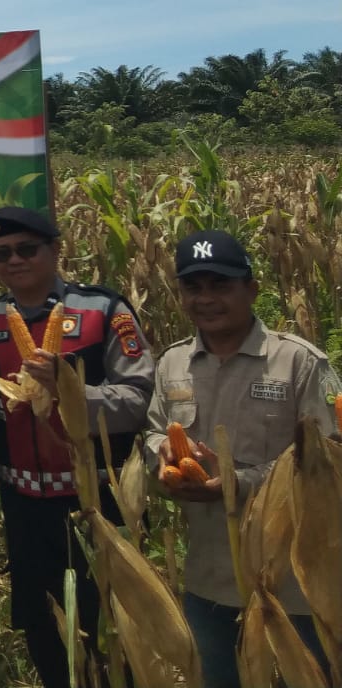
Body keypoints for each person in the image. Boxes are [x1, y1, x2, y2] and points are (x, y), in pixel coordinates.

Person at [0, 207, 154, 688]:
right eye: (1, 254)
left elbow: (139, 399)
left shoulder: (103, 311)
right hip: (23, 504)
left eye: (26, 249)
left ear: (55, 250)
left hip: (97, 501)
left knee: (112, 628)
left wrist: (69, 393)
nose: (14, 261)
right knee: (43, 626)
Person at [144, 230, 339, 687]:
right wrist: (163, 458)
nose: (206, 299)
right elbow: (154, 431)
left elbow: (328, 460)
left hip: (295, 585)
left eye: (221, 285)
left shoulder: (299, 363)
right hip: (210, 578)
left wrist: (240, 482)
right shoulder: (172, 364)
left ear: (251, 289)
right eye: (193, 287)